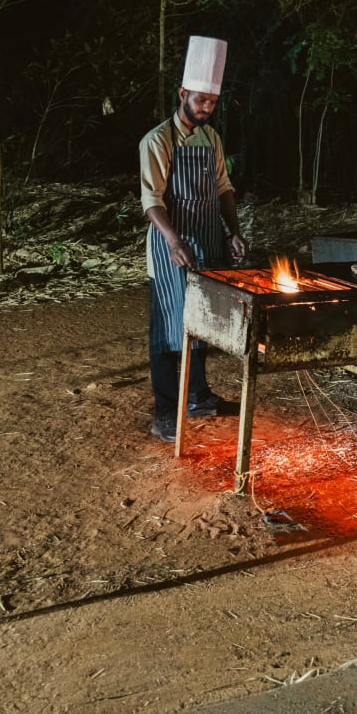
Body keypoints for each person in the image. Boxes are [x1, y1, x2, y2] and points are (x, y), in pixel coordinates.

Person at [139, 36, 248, 442]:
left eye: (213, 103)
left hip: (208, 241)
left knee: (205, 320)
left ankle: (198, 397)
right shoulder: (157, 140)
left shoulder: (211, 139)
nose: (207, 109)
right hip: (173, 245)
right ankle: (166, 409)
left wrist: (233, 232)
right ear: (183, 93)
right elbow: (152, 201)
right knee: (170, 324)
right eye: (201, 101)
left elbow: (224, 188)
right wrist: (173, 240)